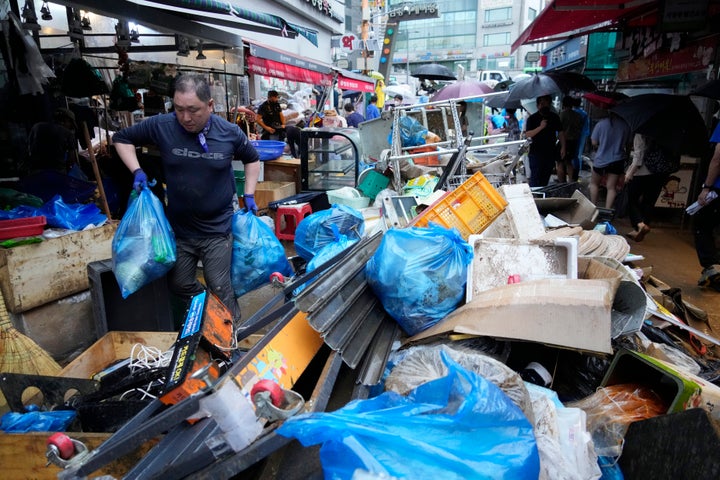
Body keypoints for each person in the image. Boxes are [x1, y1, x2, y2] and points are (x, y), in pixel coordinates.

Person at [112, 73, 261, 324]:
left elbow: (252, 158)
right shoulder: (163, 125)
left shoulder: (229, 132)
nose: (186, 118)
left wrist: (249, 193)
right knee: (179, 284)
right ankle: (209, 312)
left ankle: (231, 337)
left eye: (193, 110)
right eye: (179, 109)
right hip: (180, 229)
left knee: (221, 287)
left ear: (210, 106)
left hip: (217, 228)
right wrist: (136, 170)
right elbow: (121, 138)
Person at [623, 134, 668, 242]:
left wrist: (629, 173)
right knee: (649, 202)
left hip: (641, 172)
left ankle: (640, 224)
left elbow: (638, 157)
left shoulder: (641, 132)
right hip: (660, 172)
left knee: (632, 200)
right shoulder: (666, 132)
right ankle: (640, 230)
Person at [693, 122, 720, 290]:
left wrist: (707, 187)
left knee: (701, 225)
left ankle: (712, 267)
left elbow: (718, 158)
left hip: (717, 190)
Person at [589, 112, 632, 209]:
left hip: (600, 160)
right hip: (617, 160)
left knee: (594, 183)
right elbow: (629, 144)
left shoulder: (600, 124)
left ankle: (593, 209)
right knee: (611, 187)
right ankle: (607, 211)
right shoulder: (626, 126)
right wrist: (627, 155)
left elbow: (594, 142)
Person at [524, 95, 565, 187]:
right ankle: (535, 196)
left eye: (546, 104)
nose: (544, 106)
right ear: (538, 105)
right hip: (536, 152)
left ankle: (542, 196)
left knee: (545, 176)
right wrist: (540, 127)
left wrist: (563, 147)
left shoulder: (554, 117)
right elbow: (527, 134)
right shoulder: (532, 118)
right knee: (535, 176)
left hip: (550, 152)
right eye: (542, 104)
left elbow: (561, 132)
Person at [26, 107, 78, 174]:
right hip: (57, 172)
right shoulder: (67, 133)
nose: (70, 126)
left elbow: (28, 148)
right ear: (66, 120)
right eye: (70, 123)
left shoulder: (37, 127)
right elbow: (71, 158)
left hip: (36, 171)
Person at [558, 96, 584, 183]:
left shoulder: (562, 114)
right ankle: (571, 181)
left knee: (560, 162)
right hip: (574, 141)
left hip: (564, 141)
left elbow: (559, 129)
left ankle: (561, 182)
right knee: (569, 162)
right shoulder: (578, 115)